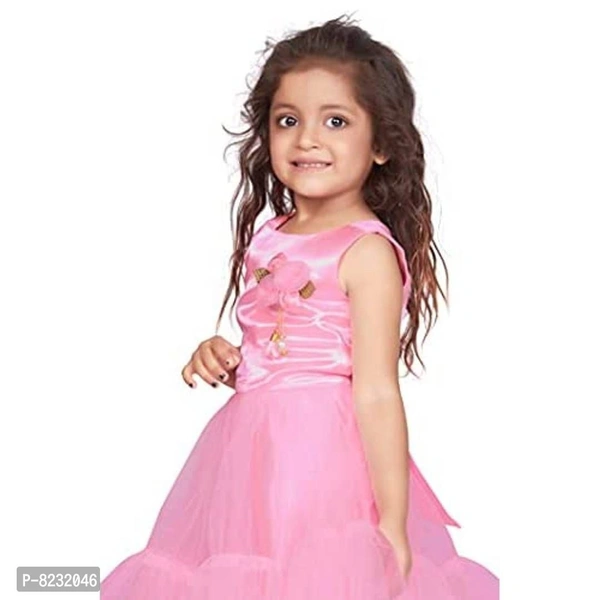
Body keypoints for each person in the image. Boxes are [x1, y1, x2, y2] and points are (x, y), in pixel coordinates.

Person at [100, 14, 499, 599]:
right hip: (249, 457)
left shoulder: (366, 252)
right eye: (288, 120)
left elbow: (376, 391)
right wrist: (228, 357)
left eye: (335, 121)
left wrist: (392, 520)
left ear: (381, 143)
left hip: (324, 462)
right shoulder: (271, 234)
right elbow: (279, 351)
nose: (308, 138)